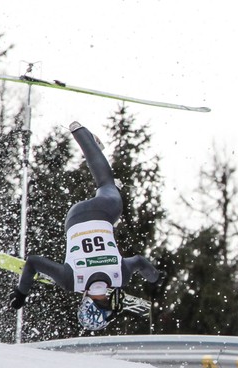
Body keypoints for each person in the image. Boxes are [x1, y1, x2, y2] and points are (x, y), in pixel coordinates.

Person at [8, 121, 160, 331]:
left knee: (106, 184)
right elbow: (32, 262)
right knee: (101, 213)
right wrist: (21, 294)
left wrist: (154, 278)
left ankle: (83, 135)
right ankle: (81, 136)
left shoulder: (121, 276)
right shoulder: (70, 281)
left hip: (104, 212)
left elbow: (140, 261)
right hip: (74, 218)